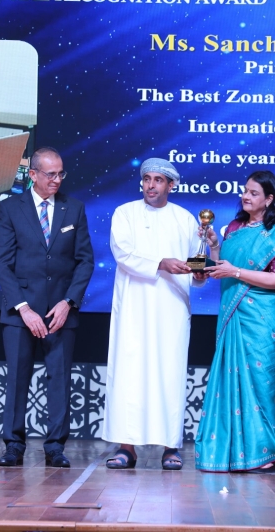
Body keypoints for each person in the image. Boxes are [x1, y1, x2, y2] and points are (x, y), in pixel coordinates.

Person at [194, 170, 275, 473]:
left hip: (264, 320)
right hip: (233, 314)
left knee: (262, 384)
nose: (245, 196)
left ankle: (266, 454)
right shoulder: (234, 228)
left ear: (269, 199)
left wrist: (235, 272)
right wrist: (214, 245)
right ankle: (229, 453)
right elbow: (222, 266)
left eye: (253, 193)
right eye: (245, 190)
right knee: (230, 383)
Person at [0, 147, 94, 468]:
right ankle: (13, 445)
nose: (57, 179)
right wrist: (23, 308)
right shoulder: (11, 208)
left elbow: (85, 261)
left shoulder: (73, 208)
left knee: (59, 380)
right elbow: (2, 262)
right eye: (50, 174)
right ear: (33, 174)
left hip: (61, 312)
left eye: (61, 173)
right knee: (17, 379)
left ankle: (55, 447)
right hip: (20, 312)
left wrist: (68, 302)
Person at [102, 158, 206, 471]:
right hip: (133, 308)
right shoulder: (125, 213)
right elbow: (123, 253)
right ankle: (126, 448)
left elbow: (196, 263)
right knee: (129, 373)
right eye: (147, 178)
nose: (150, 185)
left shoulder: (185, 219)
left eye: (158, 180)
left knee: (169, 374)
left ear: (171, 185)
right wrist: (161, 263)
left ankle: (170, 447)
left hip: (171, 308)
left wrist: (200, 270)